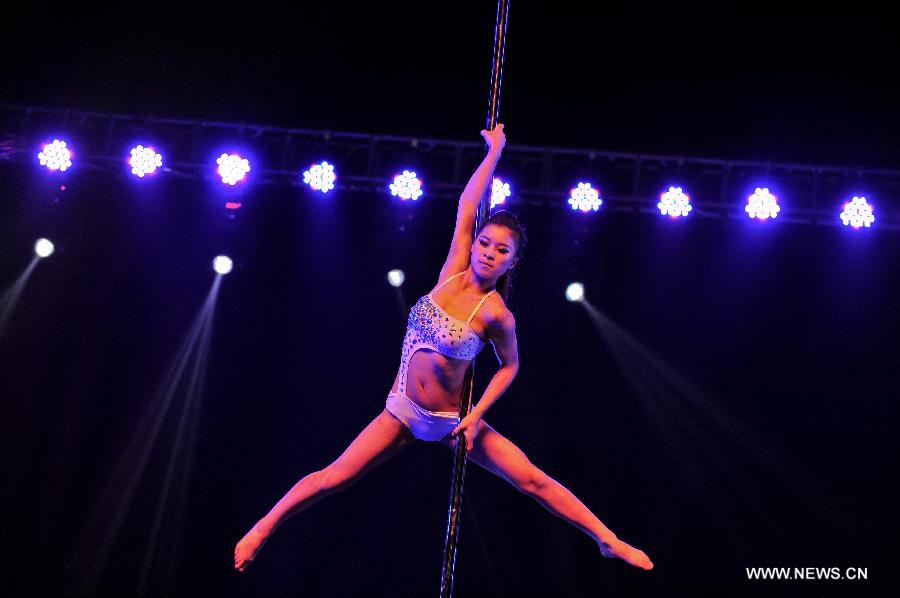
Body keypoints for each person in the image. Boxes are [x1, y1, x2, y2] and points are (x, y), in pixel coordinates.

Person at [234, 124, 653, 572]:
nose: (489, 252)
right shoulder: (453, 268)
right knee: (333, 477)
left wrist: (475, 418)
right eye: (485, 242)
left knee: (532, 480)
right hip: (400, 411)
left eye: (501, 251)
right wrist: (494, 153)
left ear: (512, 262)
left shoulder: (495, 314)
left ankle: (607, 540)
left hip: (451, 422)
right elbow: (469, 203)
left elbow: (510, 368)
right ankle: (264, 526)